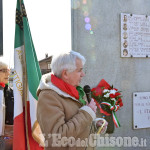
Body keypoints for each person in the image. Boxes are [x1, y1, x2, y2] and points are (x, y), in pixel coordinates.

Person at [37, 51, 108, 150]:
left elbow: (75, 125)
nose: (83, 74)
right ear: (65, 73)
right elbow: (56, 139)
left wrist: (94, 124)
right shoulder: (48, 97)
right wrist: (87, 113)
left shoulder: (75, 91)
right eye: (79, 70)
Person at [0, 60, 13, 150]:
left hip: (8, 136)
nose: (8, 74)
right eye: (4, 71)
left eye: (8, 70)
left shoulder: (11, 92)